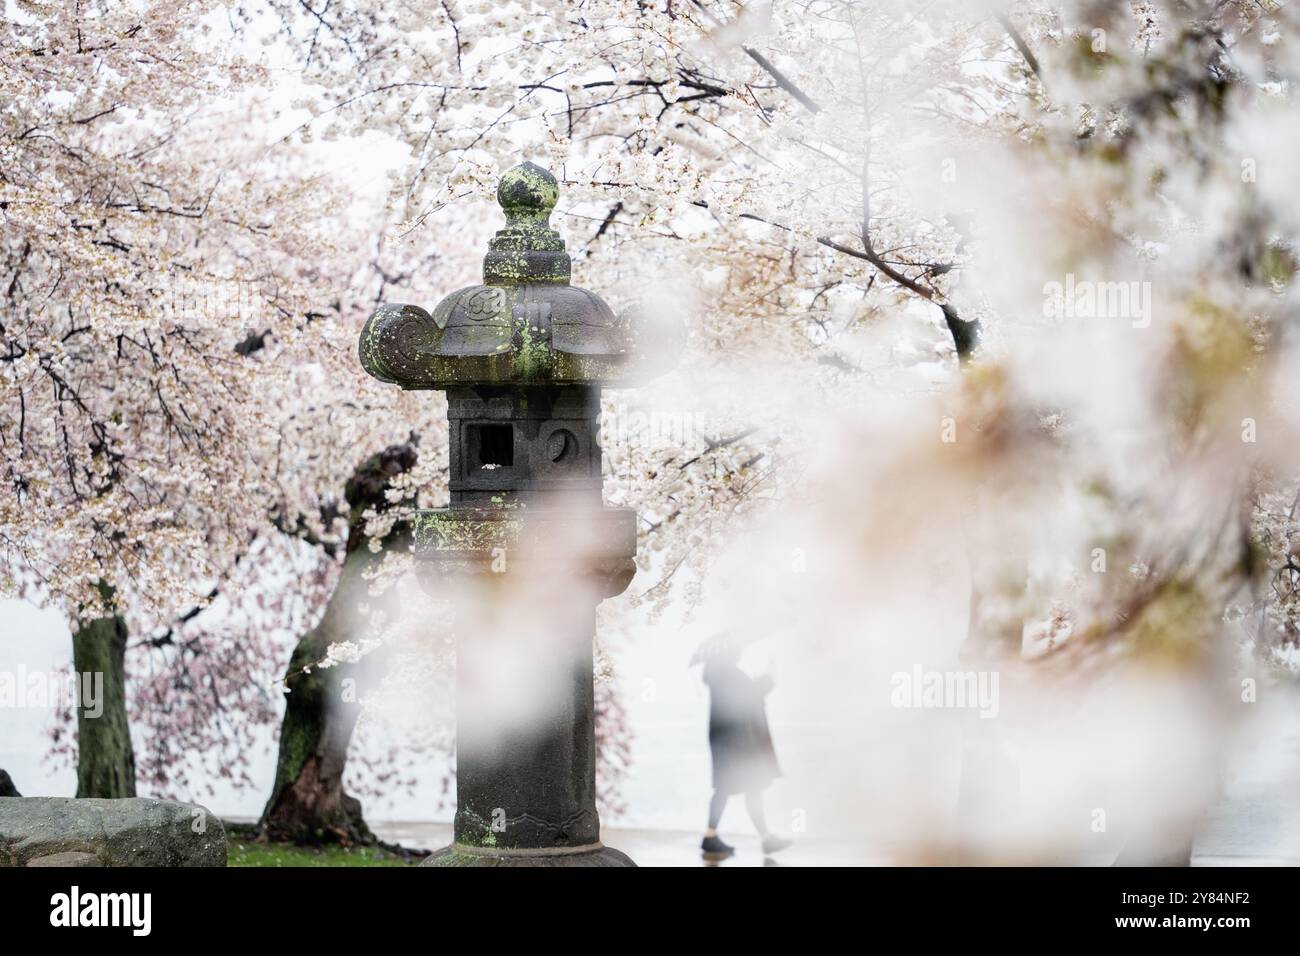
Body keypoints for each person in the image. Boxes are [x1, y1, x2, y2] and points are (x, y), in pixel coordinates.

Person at [697, 638, 791, 860]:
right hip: (737, 741)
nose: (740, 652)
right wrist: (769, 675)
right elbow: (750, 695)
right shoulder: (728, 673)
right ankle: (711, 836)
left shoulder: (719, 674)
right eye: (736, 649)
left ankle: (764, 837)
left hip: (730, 740)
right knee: (734, 787)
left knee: (748, 786)